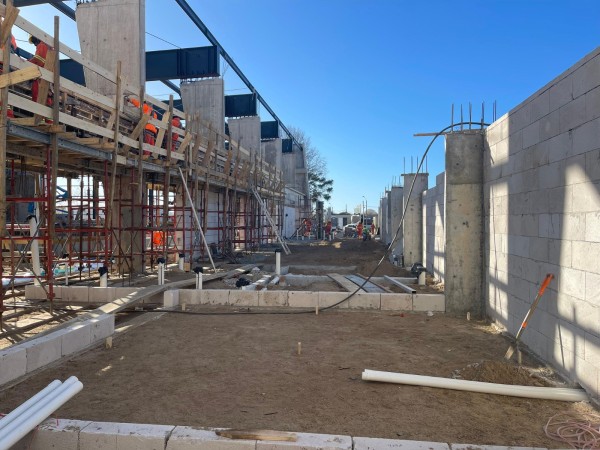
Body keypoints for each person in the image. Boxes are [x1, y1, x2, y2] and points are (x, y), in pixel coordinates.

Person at [29, 36, 49, 103]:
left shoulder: (42, 45)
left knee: (38, 98)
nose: (34, 44)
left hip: (41, 76)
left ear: (37, 37)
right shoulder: (45, 46)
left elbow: (38, 60)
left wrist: (26, 63)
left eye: (34, 41)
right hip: (44, 76)